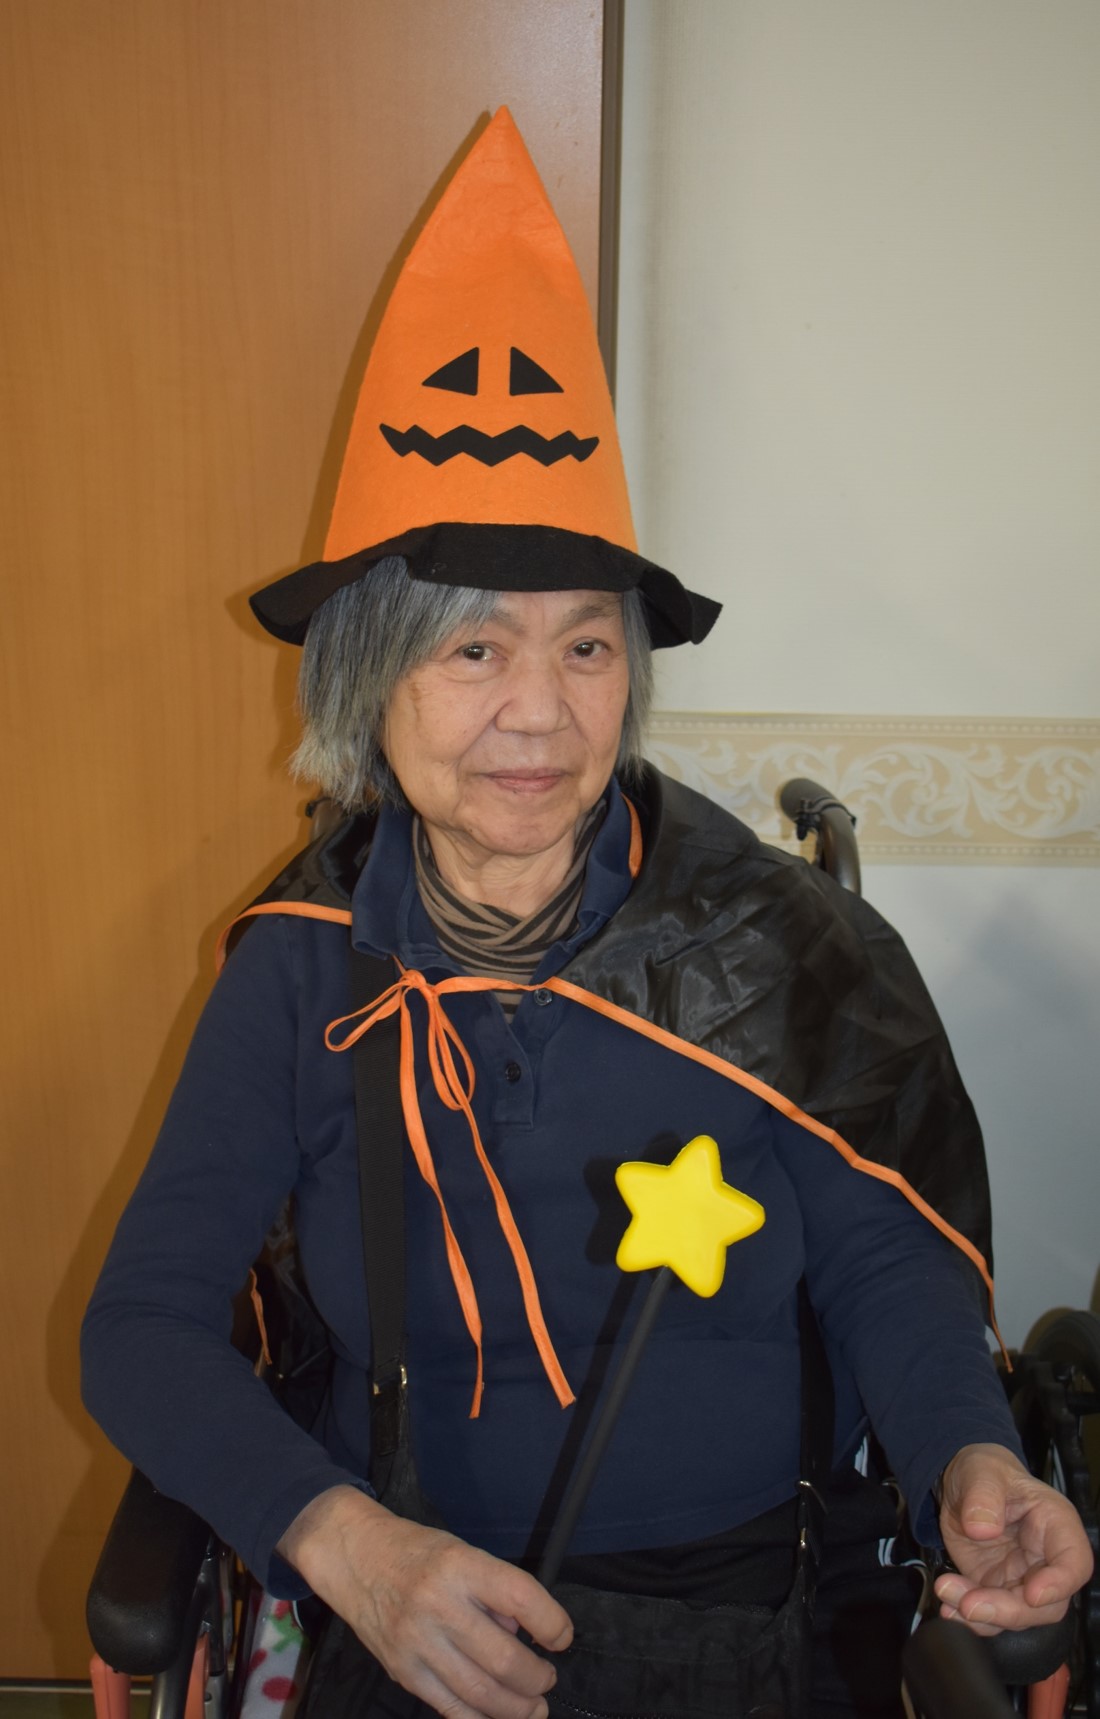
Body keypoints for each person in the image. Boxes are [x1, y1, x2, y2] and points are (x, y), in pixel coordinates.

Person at [82, 111, 1091, 1719]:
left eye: (587, 647)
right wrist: (345, 1547)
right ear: (368, 690)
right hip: (403, 1608)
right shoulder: (299, 972)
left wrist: (970, 1454)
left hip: (755, 1619)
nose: (540, 714)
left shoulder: (779, 948)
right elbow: (141, 1328)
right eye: (473, 650)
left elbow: (884, 1270)